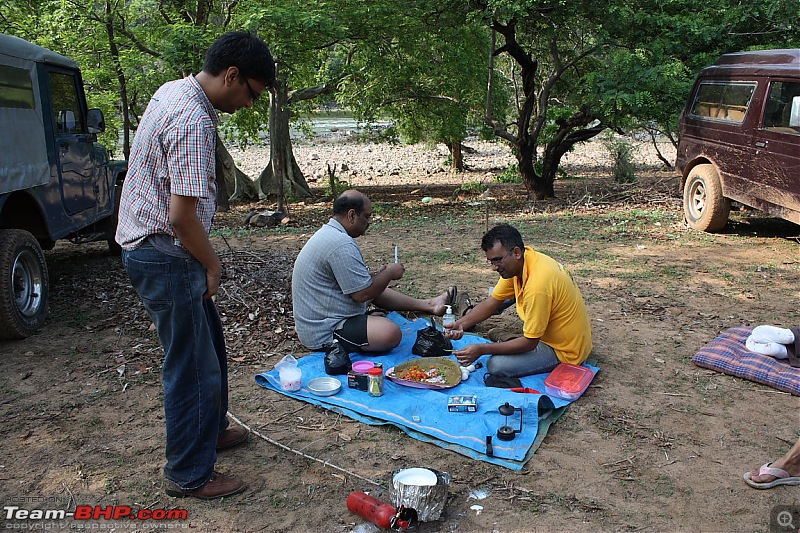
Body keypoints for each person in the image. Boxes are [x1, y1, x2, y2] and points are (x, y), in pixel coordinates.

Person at [115, 31, 275, 500]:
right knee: (191, 369)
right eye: (251, 93)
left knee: (211, 349)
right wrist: (214, 266)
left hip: (161, 249)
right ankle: (189, 472)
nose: (248, 104)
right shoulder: (192, 121)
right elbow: (182, 217)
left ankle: (213, 430)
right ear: (231, 75)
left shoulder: (176, 89)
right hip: (167, 254)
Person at [292, 189, 451, 353]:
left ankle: (429, 305)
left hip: (324, 316)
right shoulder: (341, 244)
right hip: (322, 332)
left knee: (375, 285)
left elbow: (356, 284)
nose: (370, 221)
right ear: (352, 215)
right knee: (390, 333)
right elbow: (362, 294)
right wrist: (389, 273)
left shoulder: (331, 234)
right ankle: (363, 326)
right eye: (367, 216)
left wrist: (378, 276)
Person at [445, 223, 592, 377]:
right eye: (491, 262)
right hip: (560, 338)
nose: (494, 268)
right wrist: (460, 325)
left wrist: (482, 349)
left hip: (565, 351)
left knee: (496, 365)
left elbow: (530, 343)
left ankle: (511, 342)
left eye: (497, 261)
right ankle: (510, 340)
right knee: (503, 348)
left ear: (516, 252)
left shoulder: (538, 285)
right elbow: (493, 301)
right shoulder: (522, 262)